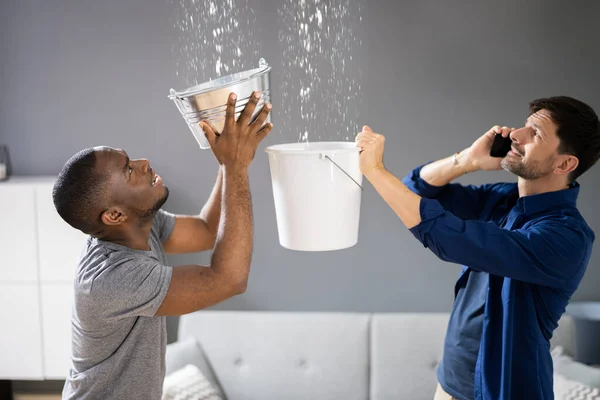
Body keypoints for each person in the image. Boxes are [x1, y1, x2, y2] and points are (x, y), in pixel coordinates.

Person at [355, 96, 600, 400]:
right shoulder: (503, 200)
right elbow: (418, 189)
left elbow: (448, 236)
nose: (515, 134)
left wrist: (376, 170)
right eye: (525, 126)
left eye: (535, 133)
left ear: (565, 163)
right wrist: (468, 160)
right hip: (449, 386)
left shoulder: (566, 236)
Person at [52, 91, 272, 399]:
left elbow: (207, 230)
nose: (144, 163)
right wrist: (237, 168)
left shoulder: (139, 225)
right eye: (129, 170)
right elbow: (229, 279)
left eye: (131, 158)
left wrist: (227, 161)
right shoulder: (112, 279)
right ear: (114, 214)